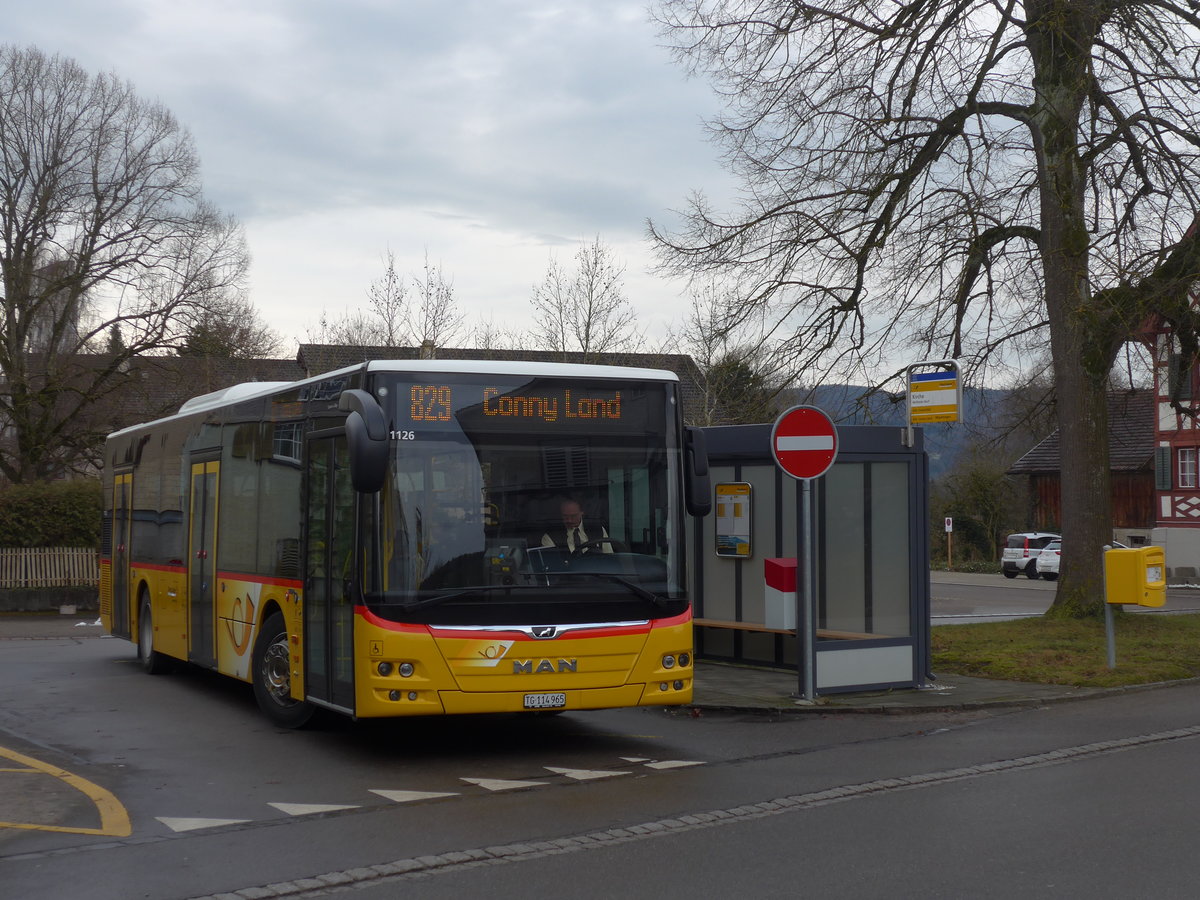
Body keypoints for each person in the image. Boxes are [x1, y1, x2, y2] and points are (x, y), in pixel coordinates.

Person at [541, 497, 612, 553]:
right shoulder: (550, 537)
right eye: (565, 516)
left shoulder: (598, 530)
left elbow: (609, 558)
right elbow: (552, 566)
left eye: (573, 516)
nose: (569, 520)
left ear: (582, 512)